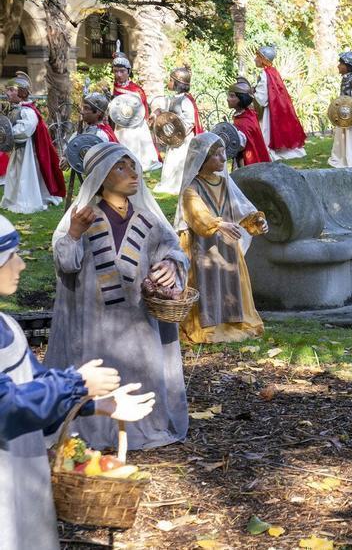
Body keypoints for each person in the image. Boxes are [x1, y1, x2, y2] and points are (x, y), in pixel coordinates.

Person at [0, 212, 156, 550]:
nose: (22, 266)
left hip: (21, 473)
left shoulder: (7, 327)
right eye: (11, 257)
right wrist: (76, 384)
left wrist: (97, 405)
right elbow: (6, 409)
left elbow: (34, 386)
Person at [44, 142, 189, 451]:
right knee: (99, 371)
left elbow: (173, 251)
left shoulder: (150, 221)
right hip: (92, 321)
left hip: (138, 320)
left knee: (140, 370)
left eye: (132, 165)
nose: (133, 173)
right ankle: (91, 422)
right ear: (100, 176)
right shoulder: (82, 216)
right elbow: (66, 263)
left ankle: (143, 422)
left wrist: (170, 265)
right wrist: (73, 234)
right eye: (121, 168)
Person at [176, 132, 267, 344]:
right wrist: (218, 225)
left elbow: (240, 209)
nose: (222, 158)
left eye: (222, 153)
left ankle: (233, 321)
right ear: (202, 159)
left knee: (229, 282)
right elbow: (197, 214)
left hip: (227, 246)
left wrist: (255, 221)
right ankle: (209, 325)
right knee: (208, 283)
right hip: (203, 248)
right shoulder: (192, 188)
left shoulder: (225, 183)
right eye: (216, 155)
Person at [2, 72, 65, 214]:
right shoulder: (17, 108)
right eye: (8, 89)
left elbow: (25, 130)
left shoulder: (28, 112)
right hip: (20, 149)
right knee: (15, 173)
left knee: (27, 174)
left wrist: (7, 134)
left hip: (30, 150)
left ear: (22, 92)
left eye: (11, 90)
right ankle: (13, 199)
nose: (7, 93)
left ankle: (29, 199)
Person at [152, 67, 203, 194]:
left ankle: (180, 183)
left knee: (180, 161)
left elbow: (189, 120)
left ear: (178, 82)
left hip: (183, 140)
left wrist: (178, 133)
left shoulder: (185, 100)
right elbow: (170, 116)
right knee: (172, 162)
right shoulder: (176, 97)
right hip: (174, 137)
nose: (168, 82)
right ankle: (170, 182)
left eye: (170, 80)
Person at [252, 45, 307, 160]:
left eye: (257, 56)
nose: (255, 59)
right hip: (276, 106)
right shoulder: (273, 71)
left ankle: (268, 149)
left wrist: (252, 93)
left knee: (266, 131)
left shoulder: (264, 74)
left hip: (268, 110)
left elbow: (261, 98)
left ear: (263, 59)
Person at [110, 53, 160, 171]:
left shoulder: (136, 90)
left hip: (136, 125)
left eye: (122, 71)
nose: (118, 74)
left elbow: (142, 109)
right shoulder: (115, 87)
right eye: (116, 71)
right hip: (121, 124)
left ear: (128, 71)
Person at [228, 78, 271, 167]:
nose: (228, 99)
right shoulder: (249, 114)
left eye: (232, 96)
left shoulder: (244, 122)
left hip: (248, 164)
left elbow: (240, 147)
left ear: (241, 99)